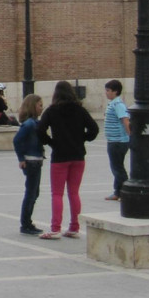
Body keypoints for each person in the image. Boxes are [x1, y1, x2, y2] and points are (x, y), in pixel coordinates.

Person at [37, 80, 99, 240]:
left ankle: (55, 228)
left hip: (60, 156)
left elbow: (40, 130)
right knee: (74, 192)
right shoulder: (80, 109)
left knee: (57, 193)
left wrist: (51, 142)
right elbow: (94, 128)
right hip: (78, 155)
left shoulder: (52, 111)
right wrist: (83, 138)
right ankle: (74, 227)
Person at [12, 93, 45, 236]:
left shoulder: (35, 123)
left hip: (36, 160)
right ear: (33, 106)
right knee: (31, 192)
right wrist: (21, 158)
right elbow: (17, 140)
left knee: (34, 192)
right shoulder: (29, 124)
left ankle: (27, 221)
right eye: (40, 105)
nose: (41, 108)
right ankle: (26, 223)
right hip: (31, 161)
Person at [103, 80, 130, 202]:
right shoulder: (113, 103)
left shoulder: (118, 104)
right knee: (116, 166)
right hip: (113, 140)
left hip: (118, 141)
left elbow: (125, 120)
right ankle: (118, 192)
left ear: (116, 91)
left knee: (117, 168)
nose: (106, 93)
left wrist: (130, 135)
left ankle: (126, 191)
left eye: (108, 90)